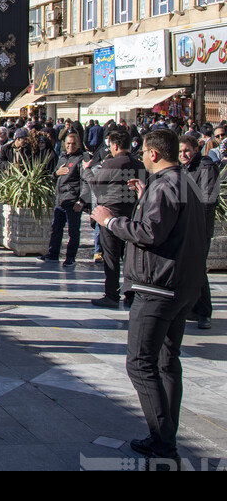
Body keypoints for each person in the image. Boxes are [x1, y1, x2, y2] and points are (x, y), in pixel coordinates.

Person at [91, 129, 207, 467]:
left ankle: (163, 441)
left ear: (154, 154)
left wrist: (110, 220)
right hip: (183, 286)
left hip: (158, 287)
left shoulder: (166, 185)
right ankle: (165, 435)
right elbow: (171, 223)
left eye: (144, 151)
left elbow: (149, 233)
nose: (142, 156)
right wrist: (145, 196)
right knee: (167, 361)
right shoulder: (185, 182)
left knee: (140, 363)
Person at [87, 130, 145, 308]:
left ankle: (111, 295)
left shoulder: (111, 163)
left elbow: (97, 187)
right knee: (130, 257)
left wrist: (86, 171)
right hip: (133, 215)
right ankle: (130, 295)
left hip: (110, 214)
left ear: (115, 145)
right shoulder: (139, 165)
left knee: (111, 257)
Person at [179, 134, 219, 330]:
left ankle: (204, 312)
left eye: (186, 150)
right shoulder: (184, 168)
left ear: (195, 149)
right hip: (186, 225)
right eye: (180, 151)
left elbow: (207, 200)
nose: (183, 154)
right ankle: (193, 308)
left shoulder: (205, 166)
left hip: (200, 228)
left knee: (198, 269)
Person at [38, 133, 90, 268]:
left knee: (73, 231)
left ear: (78, 144)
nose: (70, 146)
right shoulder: (62, 157)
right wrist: (57, 173)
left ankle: (70, 257)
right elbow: (54, 175)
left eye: (73, 143)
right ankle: (52, 253)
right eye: (68, 143)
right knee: (56, 228)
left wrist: (82, 201)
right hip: (60, 200)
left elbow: (86, 181)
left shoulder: (81, 159)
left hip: (72, 201)